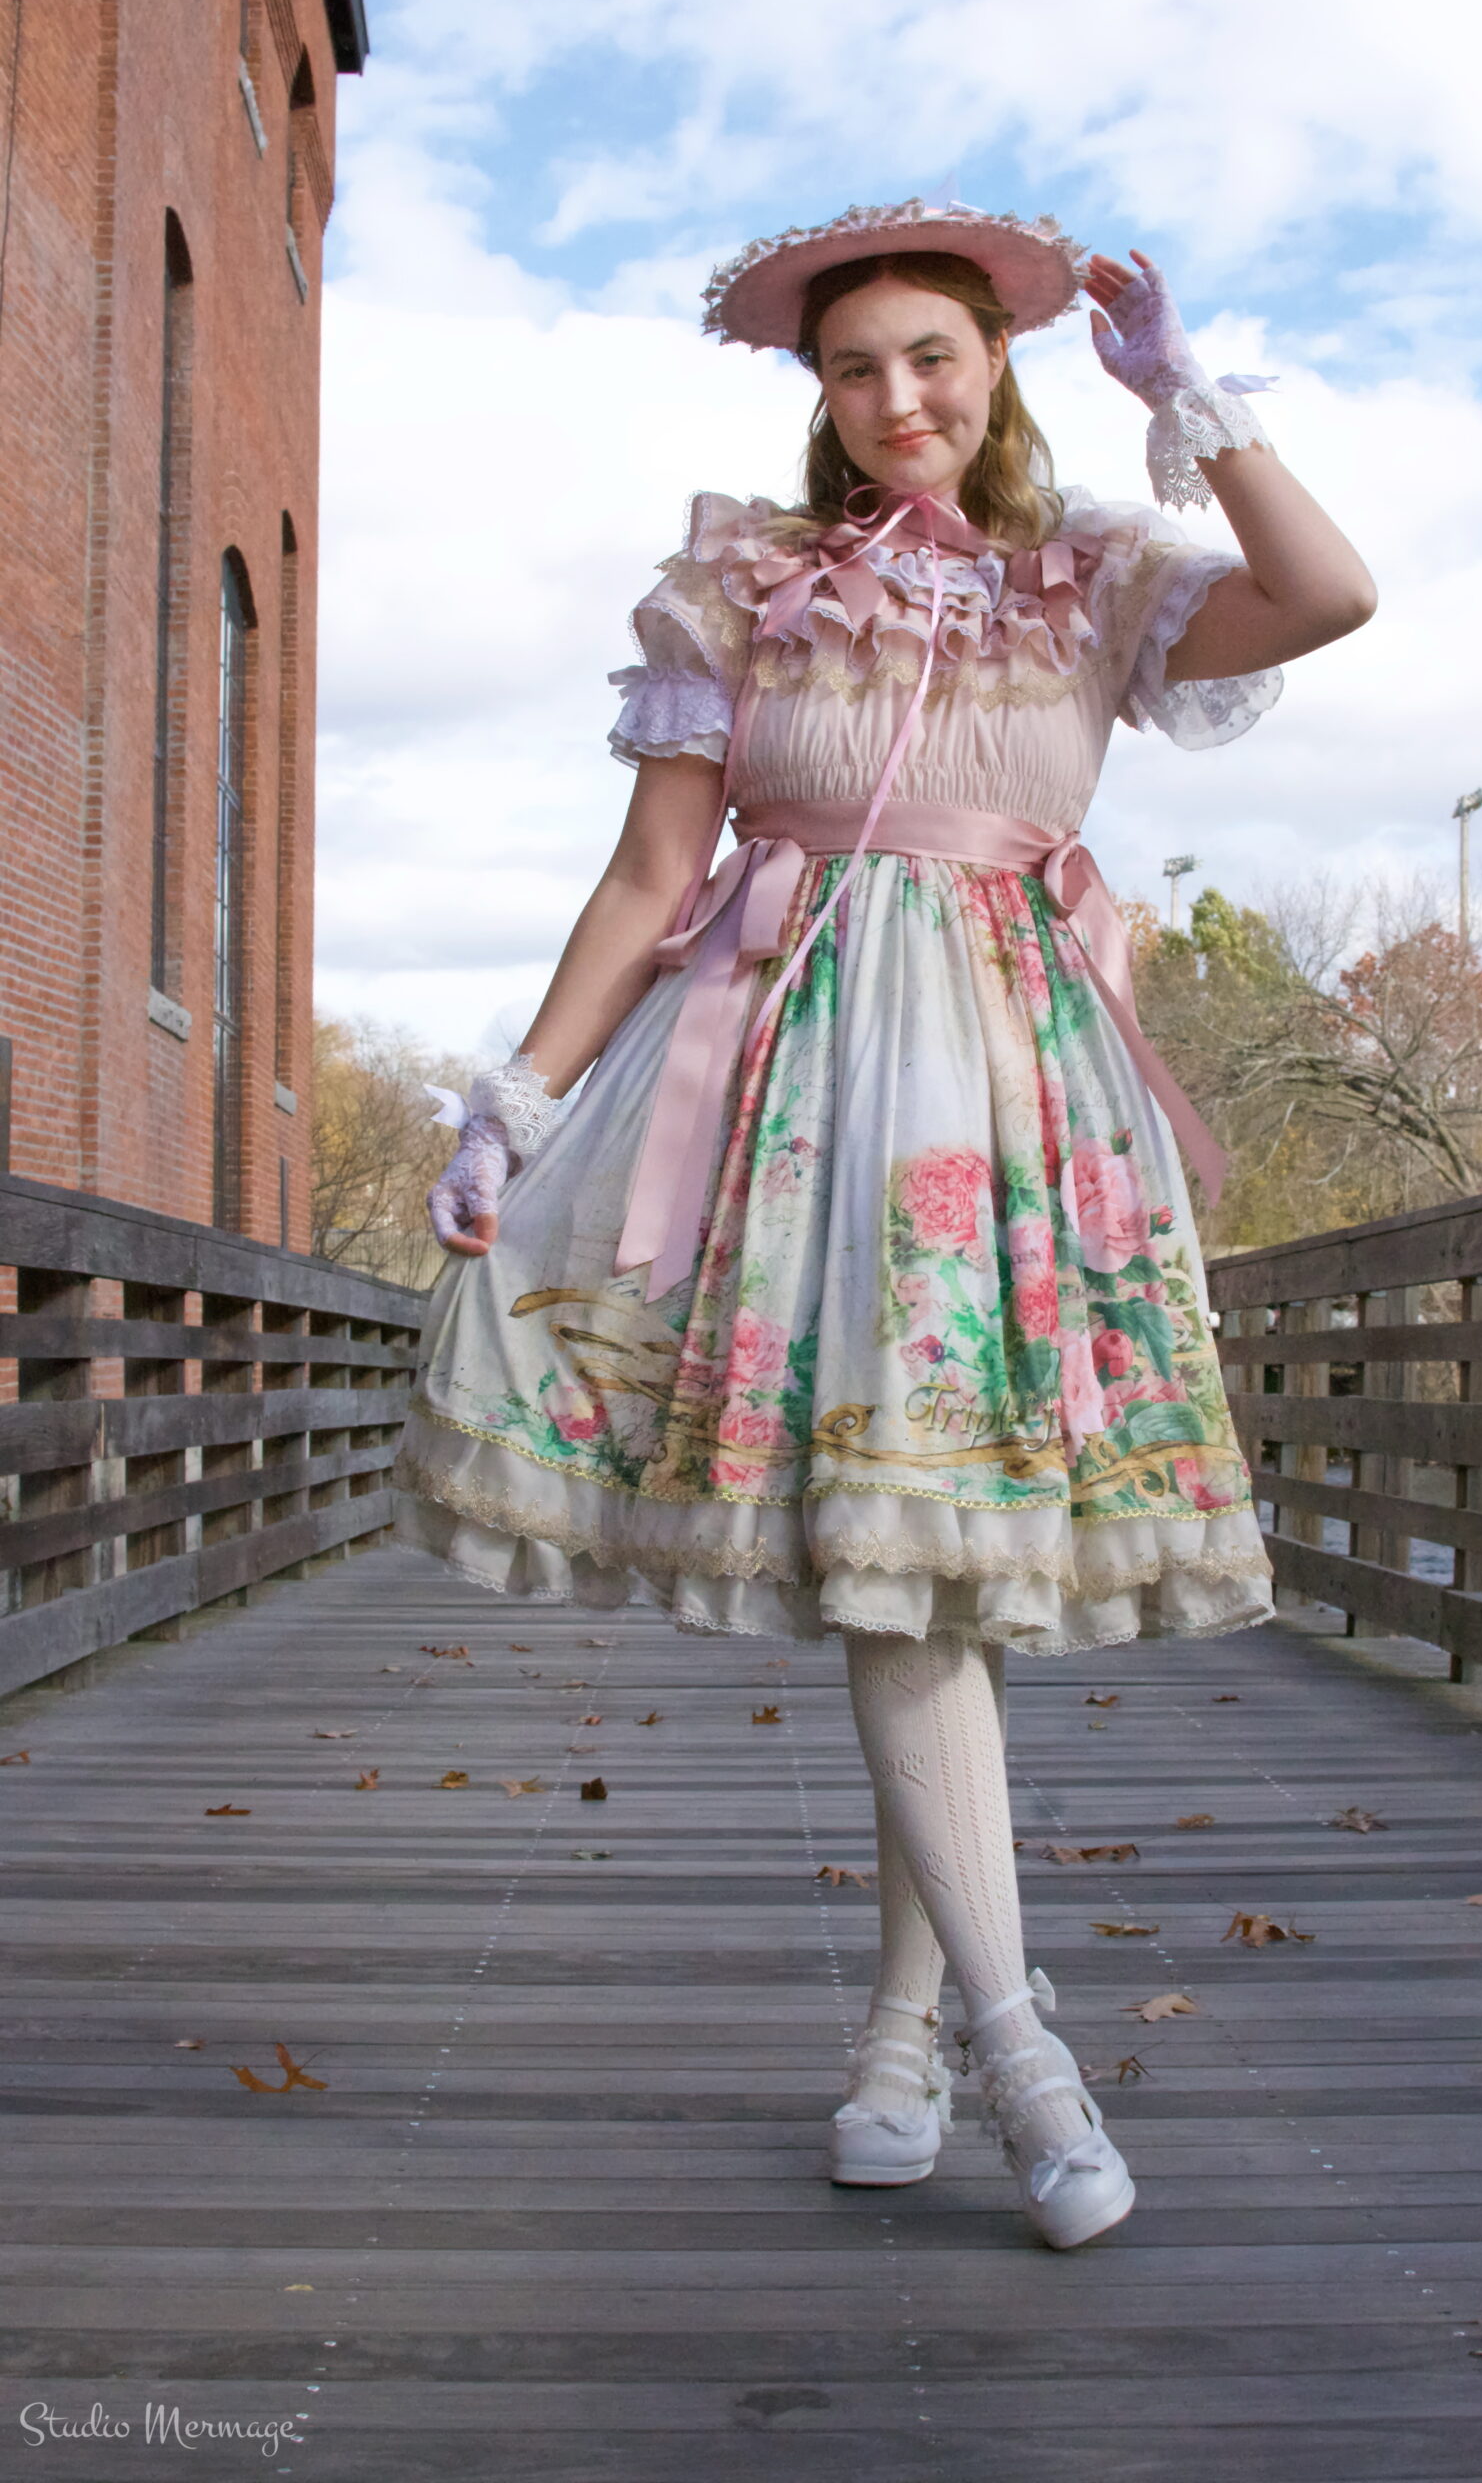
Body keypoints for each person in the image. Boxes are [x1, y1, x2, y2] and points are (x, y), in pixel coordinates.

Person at [392, 197, 1376, 2249]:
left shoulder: (1085, 576)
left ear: (997, 363)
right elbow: (648, 874)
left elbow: (1329, 593)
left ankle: (902, 2037)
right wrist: (516, 1100)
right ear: (820, 394)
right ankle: (1020, 2050)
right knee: (898, 1572)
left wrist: (1190, 399)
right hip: (789, 1100)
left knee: (933, 1567)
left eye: (932, 353)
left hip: (1017, 1109)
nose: (896, 395)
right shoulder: (745, 588)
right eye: (855, 367)